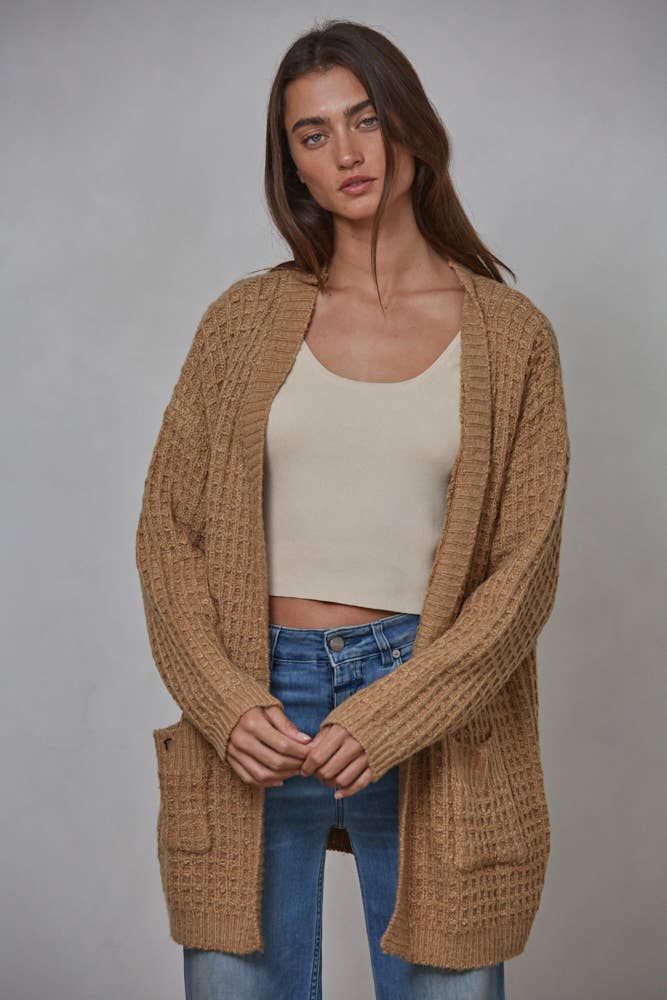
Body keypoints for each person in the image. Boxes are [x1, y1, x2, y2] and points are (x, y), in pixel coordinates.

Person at [135, 18, 570, 1000]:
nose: (346, 151)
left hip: (429, 699)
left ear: (410, 127)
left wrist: (399, 708)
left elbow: (522, 570)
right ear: (291, 163)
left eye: (366, 119)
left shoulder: (511, 336)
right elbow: (169, 534)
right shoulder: (241, 320)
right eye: (313, 132)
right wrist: (222, 697)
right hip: (257, 699)